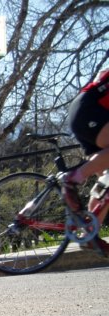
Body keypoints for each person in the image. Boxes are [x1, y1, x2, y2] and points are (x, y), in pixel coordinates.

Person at [62, 68, 109, 255]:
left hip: (90, 112)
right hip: (89, 110)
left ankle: (90, 233)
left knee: (105, 182)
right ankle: (72, 178)